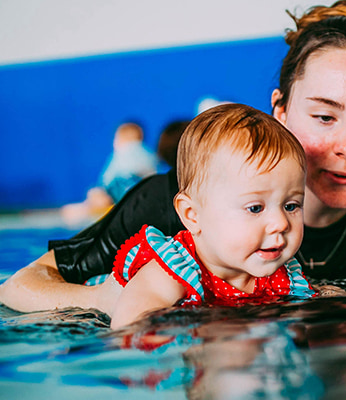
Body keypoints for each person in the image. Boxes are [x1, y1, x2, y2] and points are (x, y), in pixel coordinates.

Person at [0, 0, 346, 313]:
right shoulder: (168, 202)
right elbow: (18, 287)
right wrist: (111, 301)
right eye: (324, 117)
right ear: (281, 111)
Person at [91, 104, 315, 328]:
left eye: (291, 205)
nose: (281, 223)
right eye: (255, 208)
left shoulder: (282, 274)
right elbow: (129, 328)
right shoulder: (173, 269)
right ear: (192, 215)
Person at [60, 122, 158, 225]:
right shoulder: (149, 155)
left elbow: (106, 183)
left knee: (89, 197)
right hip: (143, 198)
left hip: (116, 199)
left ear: (119, 140)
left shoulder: (120, 155)